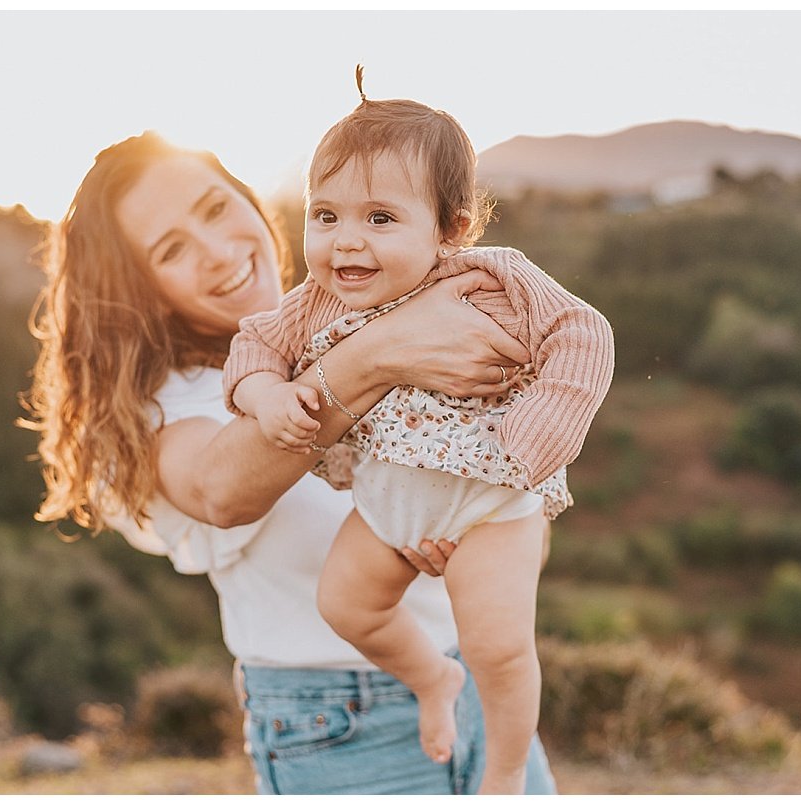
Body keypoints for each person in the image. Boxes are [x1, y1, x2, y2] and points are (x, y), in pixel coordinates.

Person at [23, 130, 559, 794]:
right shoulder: (165, 402)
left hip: (484, 685)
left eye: (217, 209)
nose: (220, 252)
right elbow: (222, 488)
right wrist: (380, 354)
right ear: (147, 288)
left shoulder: (361, 306)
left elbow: (517, 502)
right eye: (172, 250)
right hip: (341, 723)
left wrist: (475, 530)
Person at [224, 80, 614, 794]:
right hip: (391, 506)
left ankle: (502, 773)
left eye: (379, 217)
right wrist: (267, 393)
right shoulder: (314, 300)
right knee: (345, 603)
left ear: (451, 228)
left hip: (490, 502)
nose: (347, 239)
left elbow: (582, 333)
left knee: (498, 646)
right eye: (326, 214)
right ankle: (432, 677)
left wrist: (545, 426)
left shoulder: (495, 277)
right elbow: (251, 346)